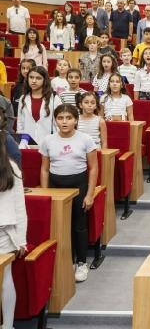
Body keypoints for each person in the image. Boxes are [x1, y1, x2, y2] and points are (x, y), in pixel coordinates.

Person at [40, 104, 98, 282]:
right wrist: (45, 193)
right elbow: (44, 169)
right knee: (59, 226)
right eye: (60, 118)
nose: (64, 122)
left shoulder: (86, 139)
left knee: (79, 225)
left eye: (68, 118)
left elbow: (93, 168)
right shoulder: (48, 140)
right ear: (55, 121)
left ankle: (81, 262)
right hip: (56, 185)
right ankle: (66, 261)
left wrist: (89, 194)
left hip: (79, 185)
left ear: (75, 120)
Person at [0, 129, 27, 329]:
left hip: (4, 231)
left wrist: (22, 240)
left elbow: (20, 207)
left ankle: (8, 326)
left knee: (5, 277)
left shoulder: (11, 168)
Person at [17, 66, 63, 147]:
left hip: (49, 144)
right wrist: (23, 143)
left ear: (44, 80)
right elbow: (20, 124)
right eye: (31, 77)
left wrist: (58, 143)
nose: (34, 81)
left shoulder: (55, 99)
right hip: (27, 144)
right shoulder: (23, 98)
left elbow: (59, 123)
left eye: (38, 78)